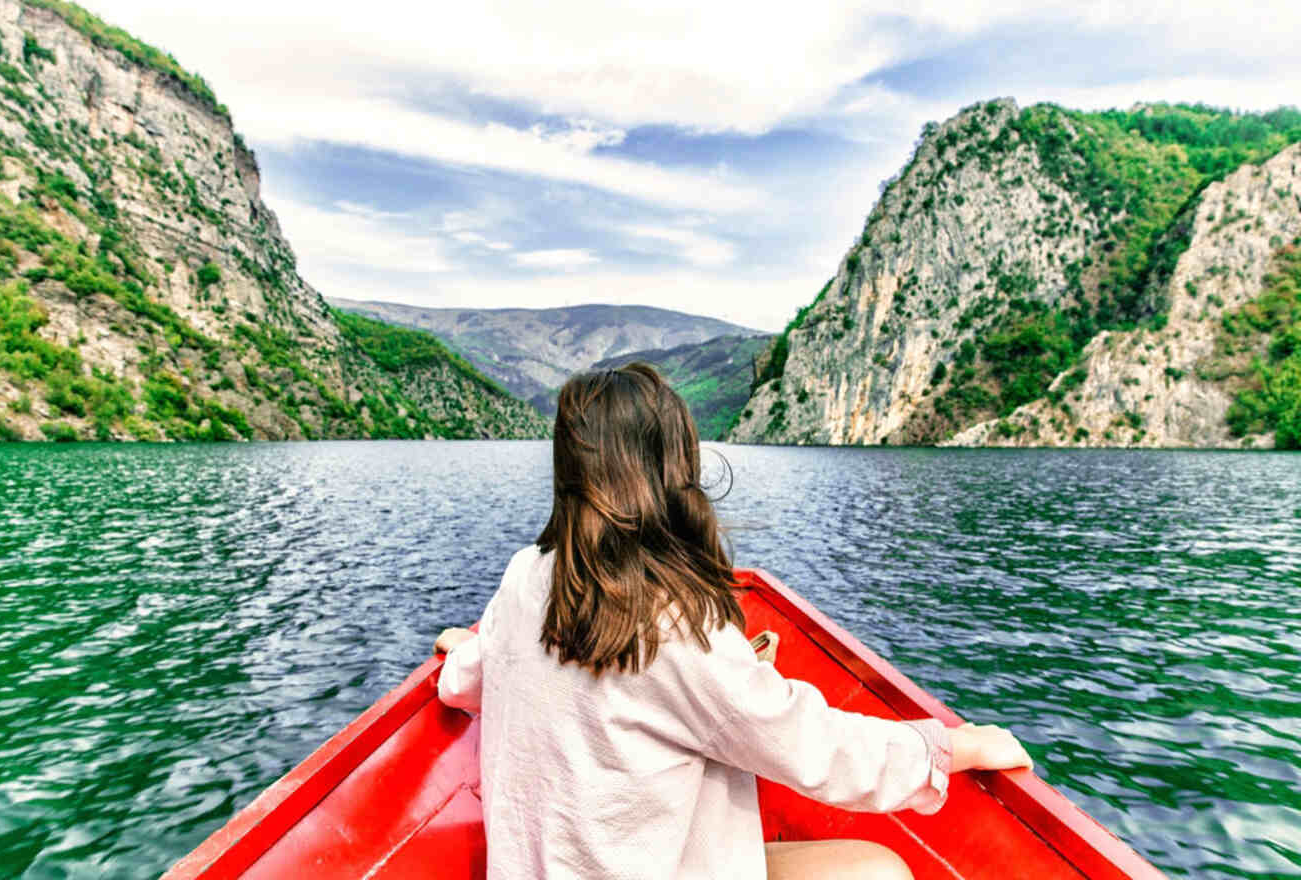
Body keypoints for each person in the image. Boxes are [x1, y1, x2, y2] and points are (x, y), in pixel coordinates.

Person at [434, 362, 1032, 880]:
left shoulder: (524, 576)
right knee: (881, 871)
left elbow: (471, 680)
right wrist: (949, 747)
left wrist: (468, 646)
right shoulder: (674, 620)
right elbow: (814, 748)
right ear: (673, 466)